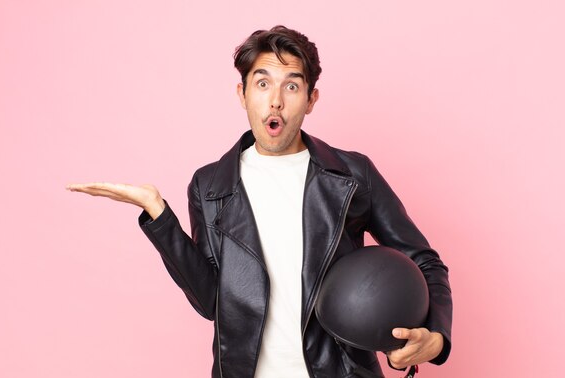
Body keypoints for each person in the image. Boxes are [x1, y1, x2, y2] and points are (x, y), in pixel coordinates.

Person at [67, 25, 452, 378]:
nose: (276, 102)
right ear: (243, 94)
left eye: (291, 86)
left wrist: (434, 338)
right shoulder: (210, 186)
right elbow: (210, 302)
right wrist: (157, 214)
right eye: (263, 83)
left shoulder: (353, 175)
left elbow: (424, 260)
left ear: (311, 99)